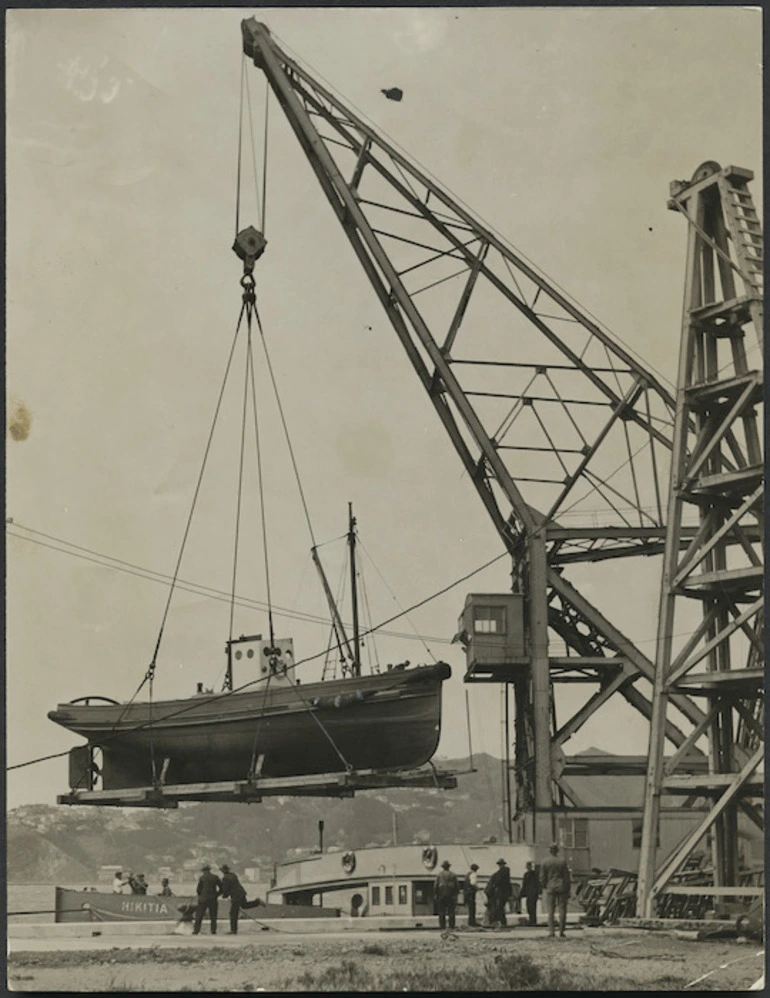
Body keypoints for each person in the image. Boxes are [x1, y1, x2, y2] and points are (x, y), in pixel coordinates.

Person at [219, 864, 261, 935]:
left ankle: (233, 930)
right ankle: (257, 902)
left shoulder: (225, 878)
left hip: (236, 897)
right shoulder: (233, 875)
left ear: (223, 871)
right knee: (244, 905)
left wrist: (224, 896)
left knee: (233, 913)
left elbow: (225, 889)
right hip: (242, 893)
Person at [540, 843, 571, 938]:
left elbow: (542, 877)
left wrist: (545, 886)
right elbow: (567, 877)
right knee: (562, 910)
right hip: (562, 887)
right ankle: (561, 931)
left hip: (550, 887)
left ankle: (551, 931)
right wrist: (568, 888)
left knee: (551, 910)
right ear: (557, 851)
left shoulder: (545, 862)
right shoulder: (562, 861)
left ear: (550, 851)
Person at [193, 863, 222, 935]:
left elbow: (198, 890)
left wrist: (201, 895)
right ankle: (213, 931)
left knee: (199, 915)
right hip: (213, 899)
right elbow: (222, 888)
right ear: (210, 870)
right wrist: (216, 895)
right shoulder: (215, 877)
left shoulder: (202, 878)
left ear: (203, 871)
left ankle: (196, 930)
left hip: (203, 899)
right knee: (213, 916)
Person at [485, 858, 512, 927]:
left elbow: (498, 881)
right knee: (500, 907)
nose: (500, 866)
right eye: (500, 864)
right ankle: (501, 922)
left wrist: (494, 885)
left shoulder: (503, 871)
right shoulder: (501, 872)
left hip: (502, 892)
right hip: (502, 892)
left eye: (501, 864)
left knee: (499, 907)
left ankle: (501, 922)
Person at [433, 859, 460, 930]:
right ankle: (451, 926)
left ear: (443, 867)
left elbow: (435, 885)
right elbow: (457, 886)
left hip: (441, 895)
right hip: (451, 895)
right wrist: (456, 894)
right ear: (448, 867)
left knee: (441, 912)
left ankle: (442, 927)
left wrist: (436, 894)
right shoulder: (453, 875)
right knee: (451, 912)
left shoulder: (439, 875)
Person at [521, 861, 541, 926]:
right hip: (530, 893)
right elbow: (524, 885)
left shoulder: (534, 874)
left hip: (533, 893)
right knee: (529, 907)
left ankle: (533, 921)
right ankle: (532, 920)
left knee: (532, 907)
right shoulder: (527, 874)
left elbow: (537, 884)